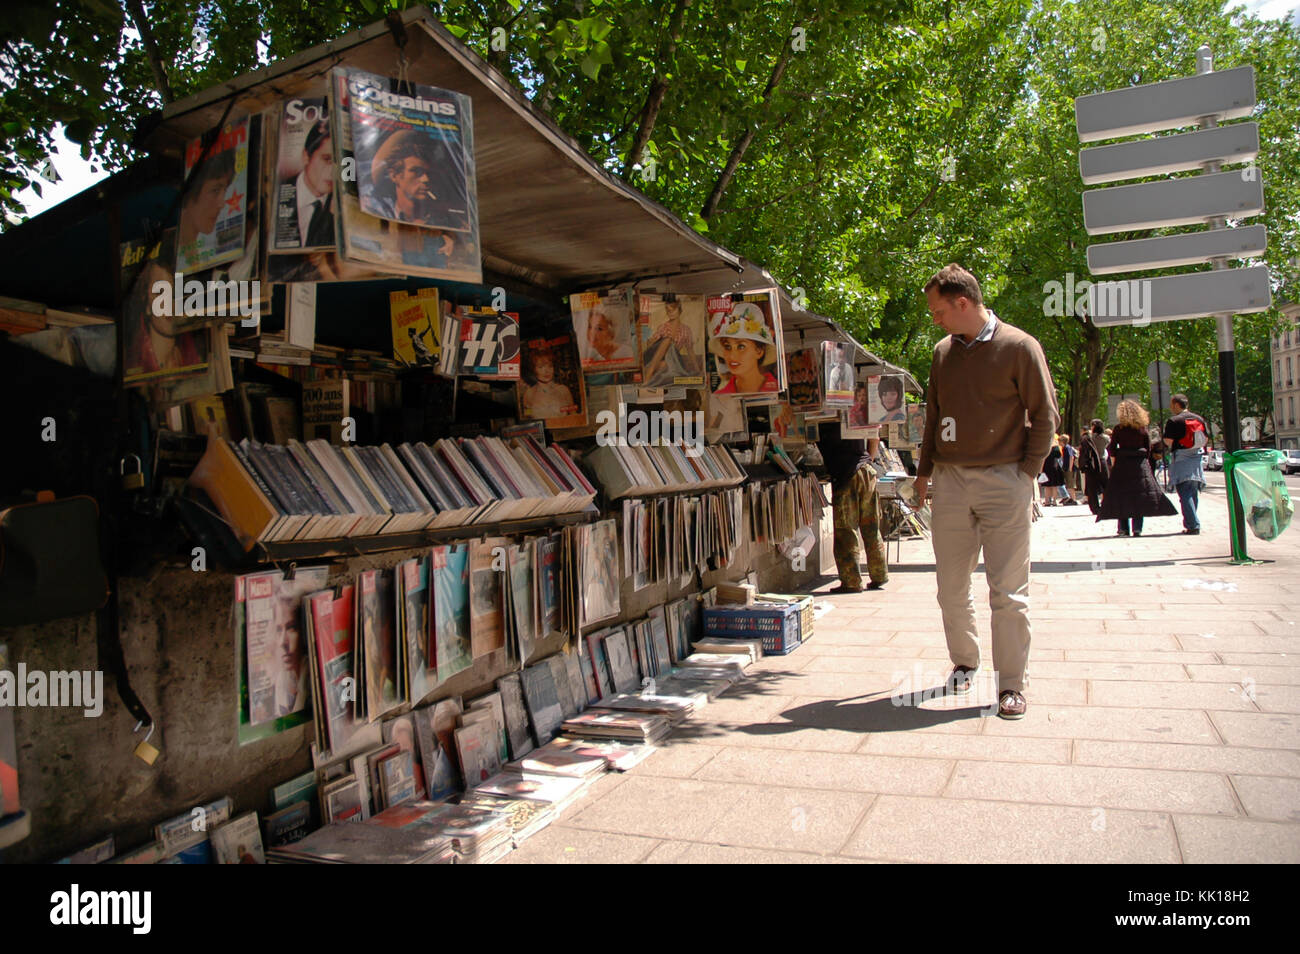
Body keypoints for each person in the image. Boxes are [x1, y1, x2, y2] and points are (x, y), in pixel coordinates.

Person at [912, 264, 1058, 721]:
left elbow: (1046, 415)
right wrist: (923, 473)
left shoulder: (1020, 347)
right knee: (950, 587)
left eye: (939, 311)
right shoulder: (942, 353)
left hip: (1004, 480)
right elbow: (933, 416)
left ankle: (1012, 685)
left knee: (1008, 592)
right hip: (951, 482)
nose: (935, 320)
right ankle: (966, 660)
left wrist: (1026, 474)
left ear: (963, 303)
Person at [819, 421, 888, 592]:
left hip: (845, 475)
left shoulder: (822, 418)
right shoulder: (856, 412)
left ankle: (851, 581)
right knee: (871, 527)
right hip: (866, 471)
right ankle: (880, 575)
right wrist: (869, 460)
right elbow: (875, 437)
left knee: (845, 529)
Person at [1097, 399, 1177, 536]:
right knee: (1139, 496)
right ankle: (1137, 528)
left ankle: (1123, 528)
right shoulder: (1142, 429)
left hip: (1122, 466)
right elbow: (1148, 448)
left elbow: (1112, 448)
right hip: (1139, 466)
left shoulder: (1118, 429)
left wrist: (1117, 457)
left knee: (1122, 496)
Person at [710, 302, 779, 394]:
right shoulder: (719, 396)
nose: (732, 356)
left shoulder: (779, 391)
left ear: (759, 351)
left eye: (741, 346)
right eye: (727, 346)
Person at [1163, 393, 1208, 535]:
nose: (1171, 408)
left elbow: (1168, 441)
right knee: (1193, 491)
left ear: (1177, 404)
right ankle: (1191, 521)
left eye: (1172, 405)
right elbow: (1205, 439)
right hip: (1196, 458)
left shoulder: (1173, 421)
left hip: (1181, 458)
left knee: (1184, 493)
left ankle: (1193, 524)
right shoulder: (1199, 418)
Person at [643, 297, 700, 384]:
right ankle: (649, 373)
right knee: (667, 340)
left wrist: (698, 370)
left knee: (665, 365)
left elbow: (690, 351)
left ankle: (648, 369)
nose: (670, 313)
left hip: (672, 359)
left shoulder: (686, 330)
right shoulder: (663, 327)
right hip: (656, 355)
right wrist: (651, 341)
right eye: (668, 310)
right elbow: (651, 346)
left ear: (679, 310)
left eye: (673, 310)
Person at [520, 346, 576, 419]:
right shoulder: (529, 394)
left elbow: (574, 416)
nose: (547, 371)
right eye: (541, 367)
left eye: (550, 366)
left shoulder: (563, 390)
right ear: (533, 369)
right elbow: (527, 417)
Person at [1079, 419, 1110, 515]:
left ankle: (1095, 508)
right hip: (1102, 461)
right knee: (1106, 485)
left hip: (1092, 463)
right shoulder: (1106, 438)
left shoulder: (1088, 438)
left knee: (1092, 487)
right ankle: (1107, 505)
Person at [1040, 438, 1066, 506]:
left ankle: (1047, 501)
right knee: (1055, 486)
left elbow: (1043, 459)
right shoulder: (1056, 448)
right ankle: (1054, 501)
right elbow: (1059, 457)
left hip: (1047, 468)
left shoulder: (1045, 448)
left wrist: (1041, 469)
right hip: (1055, 467)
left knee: (1047, 486)